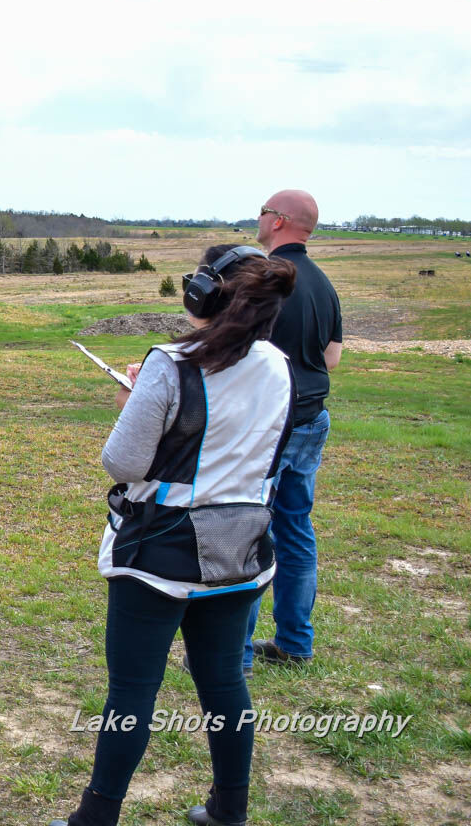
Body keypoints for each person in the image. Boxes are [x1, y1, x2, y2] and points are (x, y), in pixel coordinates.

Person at [52, 245, 297, 826]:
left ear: (205, 294)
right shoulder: (278, 365)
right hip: (242, 549)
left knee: (133, 691)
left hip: (159, 554)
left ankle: (96, 818)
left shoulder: (171, 362)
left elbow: (124, 463)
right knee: (223, 683)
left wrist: (131, 403)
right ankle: (229, 810)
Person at [246, 190, 342, 669]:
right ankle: (294, 644)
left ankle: (233, 652)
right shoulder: (324, 283)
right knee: (295, 528)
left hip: (271, 422)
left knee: (245, 530)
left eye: (263, 210)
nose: (257, 217)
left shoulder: (268, 280)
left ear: (279, 221)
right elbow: (331, 357)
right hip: (312, 418)